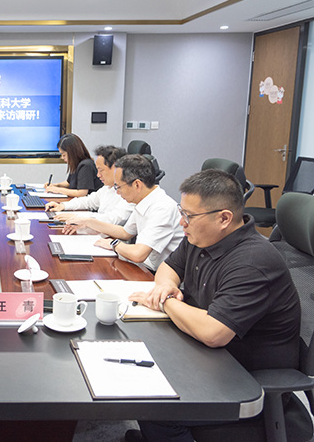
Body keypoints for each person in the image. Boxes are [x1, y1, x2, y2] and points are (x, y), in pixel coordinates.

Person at [125, 169, 301, 442]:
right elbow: (168, 268)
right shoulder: (201, 236)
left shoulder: (253, 261)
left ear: (224, 218)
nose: (181, 222)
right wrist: (165, 286)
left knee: (155, 406)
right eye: (181, 212)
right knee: (135, 367)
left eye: (189, 215)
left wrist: (166, 301)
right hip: (206, 357)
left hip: (243, 378)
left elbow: (213, 333)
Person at [64, 154, 183, 272]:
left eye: (118, 187)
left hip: (158, 274)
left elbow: (138, 254)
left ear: (137, 184)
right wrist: (88, 222)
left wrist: (114, 244)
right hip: (146, 266)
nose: (117, 192)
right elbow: (125, 233)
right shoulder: (144, 200)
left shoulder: (161, 208)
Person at [46, 145, 133, 230]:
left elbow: (113, 219)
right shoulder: (108, 188)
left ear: (115, 168)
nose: (98, 175)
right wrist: (63, 206)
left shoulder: (130, 191)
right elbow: (89, 201)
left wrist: (77, 216)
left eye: (101, 170)